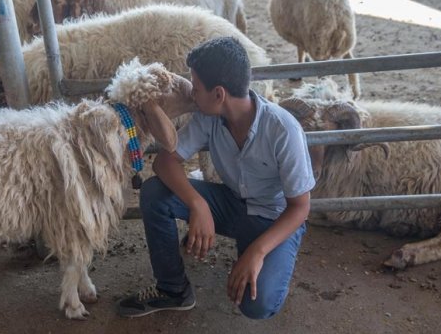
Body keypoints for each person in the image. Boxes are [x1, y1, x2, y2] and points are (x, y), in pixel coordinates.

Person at [117, 36, 315, 319]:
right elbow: (164, 162)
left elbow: (300, 207)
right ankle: (173, 289)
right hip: (232, 204)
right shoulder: (208, 118)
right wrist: (198, 204)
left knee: (257, 305)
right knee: (155, 192)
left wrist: (257, 252)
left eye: (195, 88)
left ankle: (264, 253)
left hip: (275, 217)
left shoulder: (283, 130)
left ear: (218, 94)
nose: (191, 95)